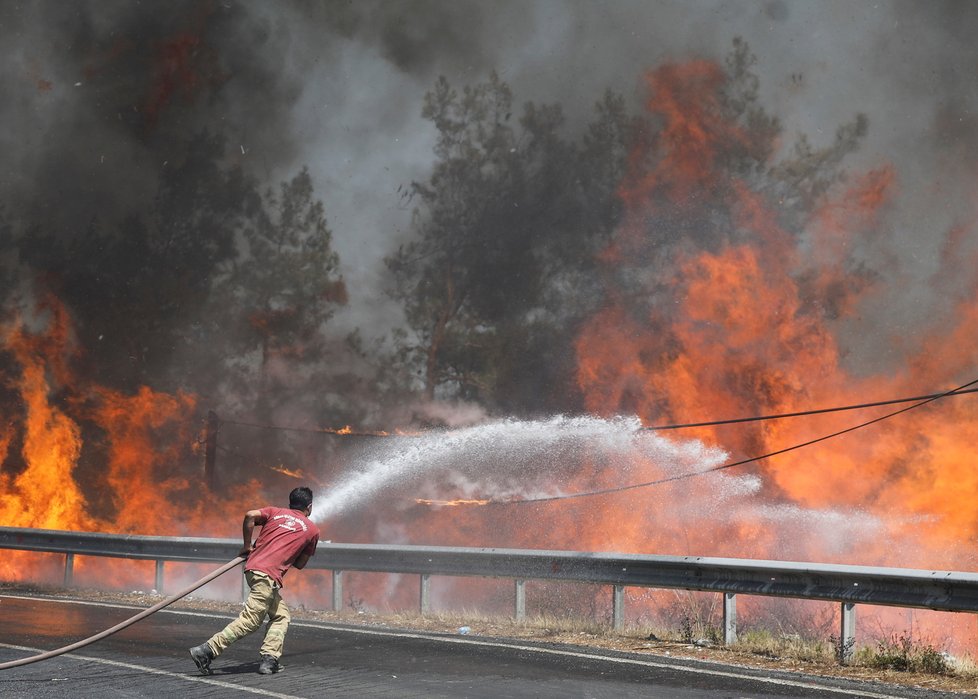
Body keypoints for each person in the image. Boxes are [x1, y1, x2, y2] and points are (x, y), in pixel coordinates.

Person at [189, 486, 320, 676]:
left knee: (281, 616)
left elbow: (250, 515)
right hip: (267, 577)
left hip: (254, 571)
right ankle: (206, 651)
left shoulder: (275, 512)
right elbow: (300, 564)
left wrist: (247, 546)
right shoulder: (312, 530)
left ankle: (269, 660)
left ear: (290, 503)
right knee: (250, 621)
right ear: (309, 506)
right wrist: (292, 546)